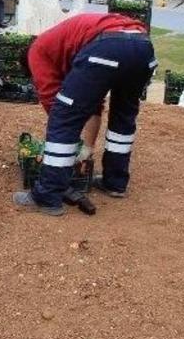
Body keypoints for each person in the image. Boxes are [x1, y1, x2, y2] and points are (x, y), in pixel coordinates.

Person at [13, 13, 156, 216]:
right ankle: (115, 182)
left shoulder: (36, 51)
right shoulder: (66, 44)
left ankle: (47, 195)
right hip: (142, 46)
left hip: (107, 46)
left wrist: (65, 146)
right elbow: (93, 104)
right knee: (123, 116)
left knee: (63, 115)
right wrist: (86, 147)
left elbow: (52, 102)